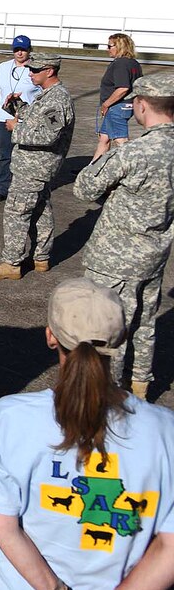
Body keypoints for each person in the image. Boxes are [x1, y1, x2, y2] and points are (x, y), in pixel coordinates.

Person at [0, 277, 174, 590]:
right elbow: (170, 547)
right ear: (120, 341)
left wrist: (55, 588)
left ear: (51, 336)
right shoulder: (165, 431)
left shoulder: (11, 417)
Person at [74, 73, 174, 401]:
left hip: (117, 257)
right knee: (144, 321)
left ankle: (105, 396)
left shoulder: (135, 152)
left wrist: (105, 157)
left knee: (107, 327)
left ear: (142, 105)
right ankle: (141, 385)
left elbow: (85, 187)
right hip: (156, 251)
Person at [0, 54, 75, 281]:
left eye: (34, 70)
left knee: (17, 211)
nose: (30, 73)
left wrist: (16, 129)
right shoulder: (48, 96)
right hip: (37, 166)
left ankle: (12, 263)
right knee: (40, 210)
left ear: (50, 71)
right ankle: (41, 257)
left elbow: (47, 135)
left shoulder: (56, 100)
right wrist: (18, 106)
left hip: (35, 166)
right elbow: (39, 121)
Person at [0, 35, 41, 202]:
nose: (20, 52)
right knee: (5, 155)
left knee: (26, 156)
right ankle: (3, 188)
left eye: (23, 49)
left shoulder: (36, 70)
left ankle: (26, 189)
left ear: (29, 50)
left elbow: (41, 95)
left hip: (26, 120)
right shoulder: (3, 67)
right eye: (16, 49)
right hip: (2, 118)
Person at [93, 33, 144, 161]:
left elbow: (123, 88)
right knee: (104, 138)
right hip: (128, 105)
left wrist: (106, 104)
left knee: (121, 141)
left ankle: (133, 170)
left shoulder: (120, 64)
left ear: (120, 46)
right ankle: (93, 169)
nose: (107, 49)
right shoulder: (134, 63)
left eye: (109, 46)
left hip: (117, 107)